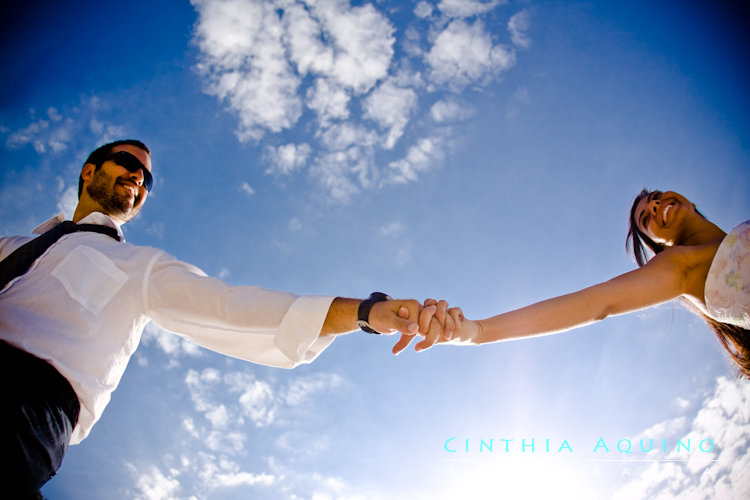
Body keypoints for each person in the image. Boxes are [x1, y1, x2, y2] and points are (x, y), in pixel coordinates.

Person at [0, 139, 452, 497]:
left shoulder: (141, 268)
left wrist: (366, 312)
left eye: (147, 180)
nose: (139, 177)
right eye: (126, 162)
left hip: (24, 410)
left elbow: (231, 307)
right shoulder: (9, 246)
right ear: (89, 170)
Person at [394, 189, 750, 378]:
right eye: (646, 218)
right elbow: (597, 302)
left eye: (655, 197)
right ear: (657, 242)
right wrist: (479, 330)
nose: (656, 206)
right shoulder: (682, 267)